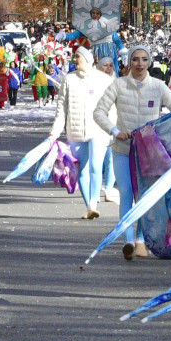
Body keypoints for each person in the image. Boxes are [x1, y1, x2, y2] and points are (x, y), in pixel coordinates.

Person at [96, 47, 171, 261]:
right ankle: (128, 239)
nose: (139, 63)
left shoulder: (158, 86)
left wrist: (169, 128)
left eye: (144, 59)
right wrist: (115, 132)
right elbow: (98, 112)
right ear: (129, 62)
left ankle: (141, 239)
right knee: (126, 193)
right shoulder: (117, 85)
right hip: (123, 150)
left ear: (149, 62)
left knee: (145, 196)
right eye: (135, 59)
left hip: (149, 153)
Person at [42, 47, 117, 218]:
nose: (75, 59)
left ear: (88, 59)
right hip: (75, 132)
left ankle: (93, 203)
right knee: (81, 170)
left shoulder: (104, 80)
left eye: (78, 56)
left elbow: (112, 107)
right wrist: (54, 133)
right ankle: (89, 207)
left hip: (99, 130)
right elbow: (61, 109)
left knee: (96, 167)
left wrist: (112, 128)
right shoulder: (69, 79)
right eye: (75, 56)